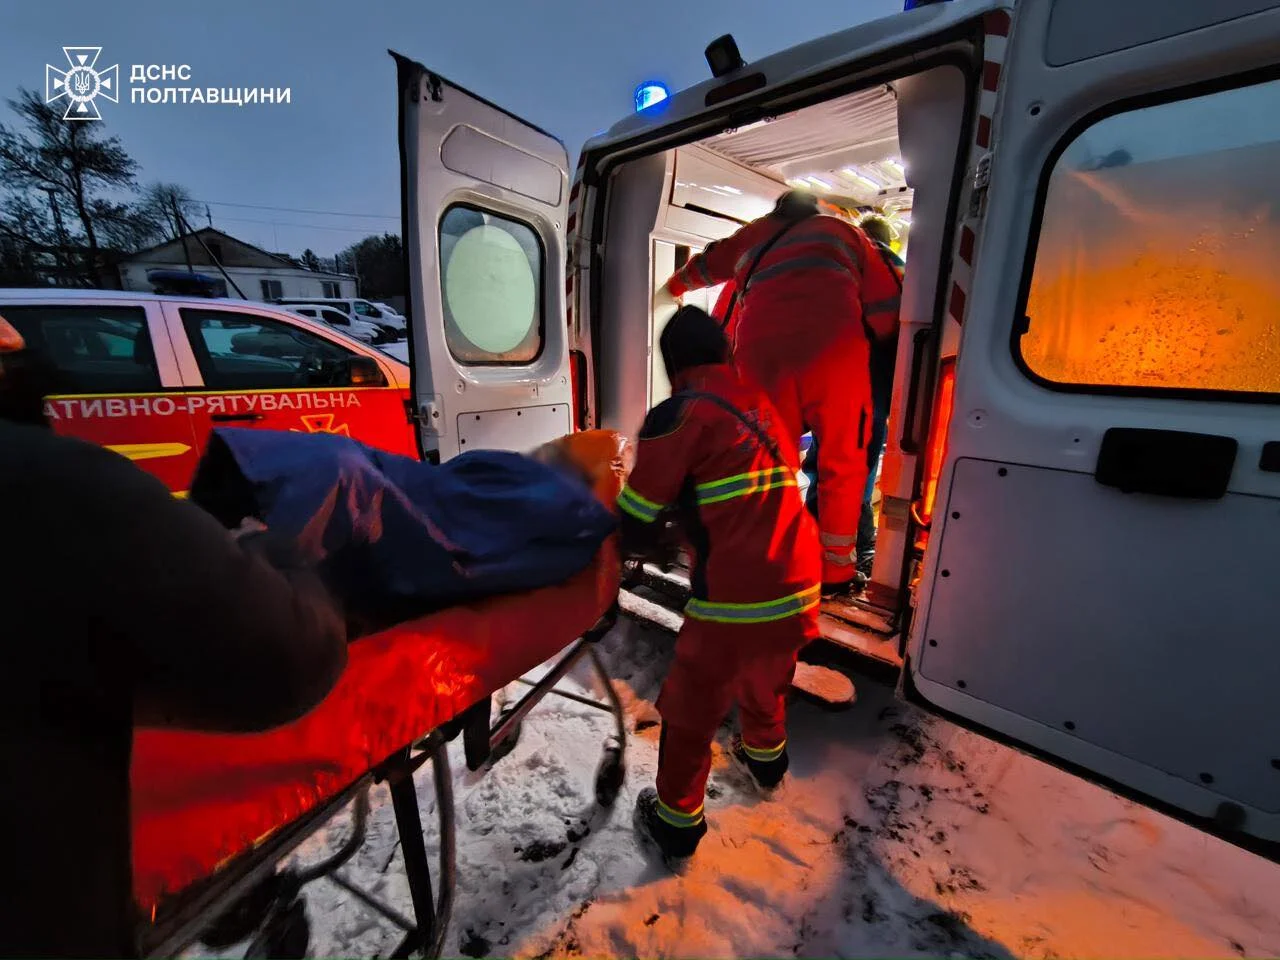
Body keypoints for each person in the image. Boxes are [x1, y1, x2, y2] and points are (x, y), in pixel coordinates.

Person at [0, 315, 350, 957]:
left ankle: (236, 900)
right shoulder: (59, 487)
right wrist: (280, 555)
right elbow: (287, 657)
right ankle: (234, 896)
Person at [617, 305, 822, 866]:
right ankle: (766, 764)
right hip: (799, 581)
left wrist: (615, 536)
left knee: (690, 710)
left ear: (674, 364)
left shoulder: (681, 413)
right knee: (766, 679)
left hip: (738, 595)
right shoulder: (760, 403)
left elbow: (637, 514)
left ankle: (676, 825)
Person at [656, 191, 900, 597]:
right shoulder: (846, 233)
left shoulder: (754, 235)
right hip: (836, 356)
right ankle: (835, 573)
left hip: (763, 357)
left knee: (767, 462)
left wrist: (673, 288)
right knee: (843, 462)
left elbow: (705, 266)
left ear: (777, 211)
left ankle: (764, 557)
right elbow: (886, 307)